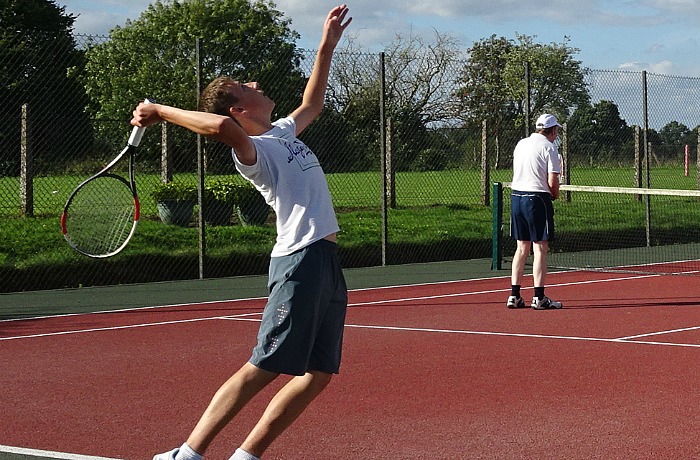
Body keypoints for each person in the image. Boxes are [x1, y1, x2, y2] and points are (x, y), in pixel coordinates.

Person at [131, 5, 352, 460]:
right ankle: (188, 454)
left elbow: (312, 103)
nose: (255, 83)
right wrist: (159, 111)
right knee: (266, 364)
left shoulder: (283, 134)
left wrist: (326, 44)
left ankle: (246, 456)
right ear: (239, 108)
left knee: (319, 373)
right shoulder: (252, 152)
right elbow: (219, 127)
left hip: (327, 261)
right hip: (301, 260)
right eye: (243, 87)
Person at [506, 113, 563, 310]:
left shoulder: (521, 143)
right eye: (556, 130)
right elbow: (553, 180)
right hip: (537, 199)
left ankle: (514, 295)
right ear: (553, 130)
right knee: (540, 248)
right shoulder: (550, 147)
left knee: (521, 247)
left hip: (516, 197)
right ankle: (539, 297)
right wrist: (554, 195)